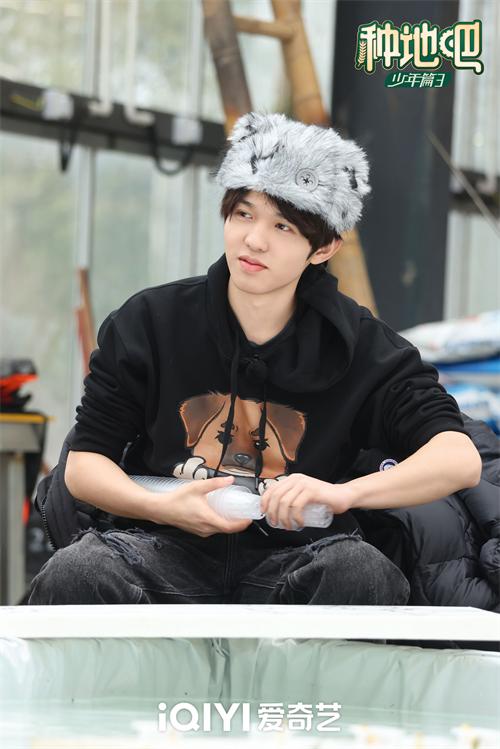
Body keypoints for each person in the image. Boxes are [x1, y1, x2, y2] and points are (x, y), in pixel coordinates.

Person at [28, 112, 481, 606]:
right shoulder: (151, 321)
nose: (254, 240)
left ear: (324, 247)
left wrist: (343, 495)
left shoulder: (364, 347)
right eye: (244, 214)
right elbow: (84, 465)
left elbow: (458, 459)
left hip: (298, 559)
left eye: (283, 225)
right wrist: (162, 508)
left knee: (364, 574)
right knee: (77, 570)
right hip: (161, 547)